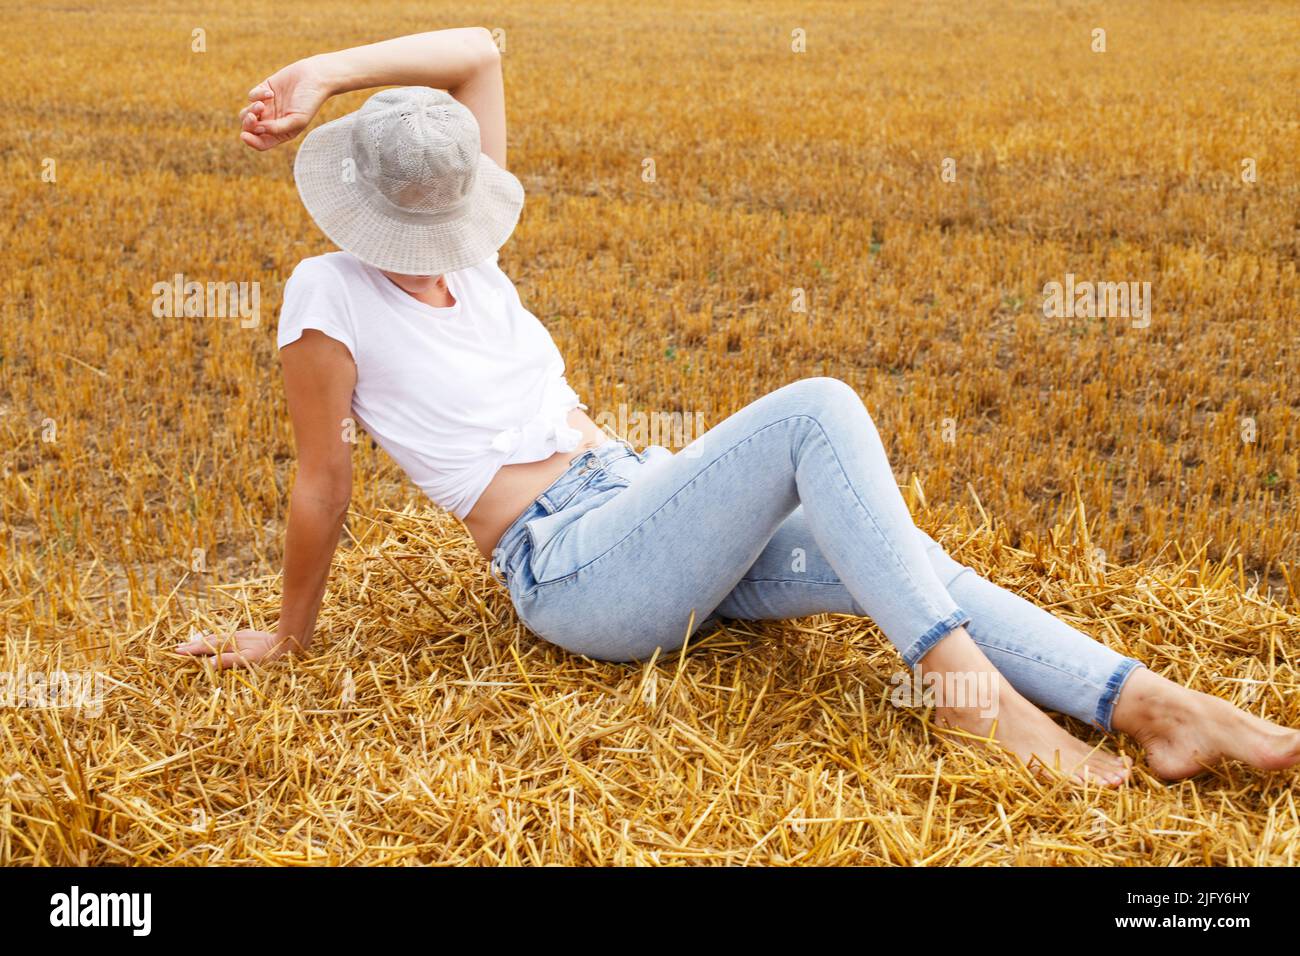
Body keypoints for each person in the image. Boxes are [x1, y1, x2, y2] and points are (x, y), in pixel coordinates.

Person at [179, 27, 1300, 787]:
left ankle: (1153, 705)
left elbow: (478, 46)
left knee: (893, 553)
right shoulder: (323, 296)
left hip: (643, 510)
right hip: (572, 568)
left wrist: (325, 64)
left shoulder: (470, 243)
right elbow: (321, 477)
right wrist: (288, 636)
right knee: (816, 409)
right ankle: (977, 703)